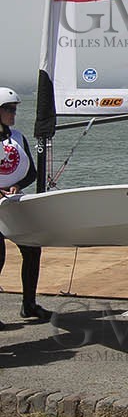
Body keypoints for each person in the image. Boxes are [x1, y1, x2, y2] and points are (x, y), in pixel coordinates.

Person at [0, 87, 50, 324]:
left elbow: (32, 172)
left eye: (14, 109)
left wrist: (18, 185)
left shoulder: (18, 137)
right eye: (8, 109)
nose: (13, 114)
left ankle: (28, 305)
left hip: (14, 202)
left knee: (32, 250)